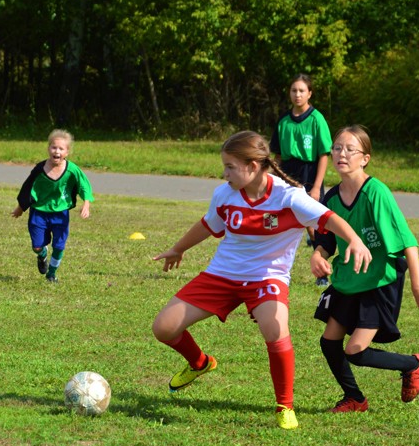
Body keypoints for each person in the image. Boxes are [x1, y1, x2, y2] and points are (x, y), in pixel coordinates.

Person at [152, 131, 371, 430]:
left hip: (267, 278)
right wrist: (179, 248)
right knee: (163, 327)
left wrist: (355, 240)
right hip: (222, 275)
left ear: (253, 166)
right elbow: (208, 224)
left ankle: (285, 406)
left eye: (230, 166)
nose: (224, 173)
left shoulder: (289, 197)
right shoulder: (224, 194)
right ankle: (200, 363)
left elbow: (329, 218)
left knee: (275, 329)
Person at [311, 125, 419, 413]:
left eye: (349, 149)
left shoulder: (376, 192)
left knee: (356, 351)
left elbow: (407, 242)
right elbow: (326, 239)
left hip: (379, 282)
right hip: (348, 280)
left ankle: (414, 364)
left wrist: (417, 285)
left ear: (365, 158)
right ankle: (354, 398)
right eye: (337, 148)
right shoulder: (331, 197)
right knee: (329, 342)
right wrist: (318, 255)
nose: (341, 154)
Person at [270, 73, 332, 282]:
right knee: (276, 218)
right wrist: (269, 179)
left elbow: (324, 155)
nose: (297, 94)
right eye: (294, 90)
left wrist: (316, 187)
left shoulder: (316, 119)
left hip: (309, 172)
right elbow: (277, 157)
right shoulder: (283, 120)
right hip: (287, 172)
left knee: (315, 226)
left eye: (302, 90)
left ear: (310, 93)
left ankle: (322, 273)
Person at [11, 129, 93, 283]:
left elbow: (84, 186)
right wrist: (20, 208)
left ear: (67, 152)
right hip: (39, 212)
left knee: (59, 246)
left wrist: (86, 204)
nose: (57, 151)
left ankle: (51, 274)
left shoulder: (72, 170)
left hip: (60, 213)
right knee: (36, 246)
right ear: (48, 149)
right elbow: (28, 188)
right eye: (54, 147)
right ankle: (42, 254)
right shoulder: (40, 169)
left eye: (61, 148)